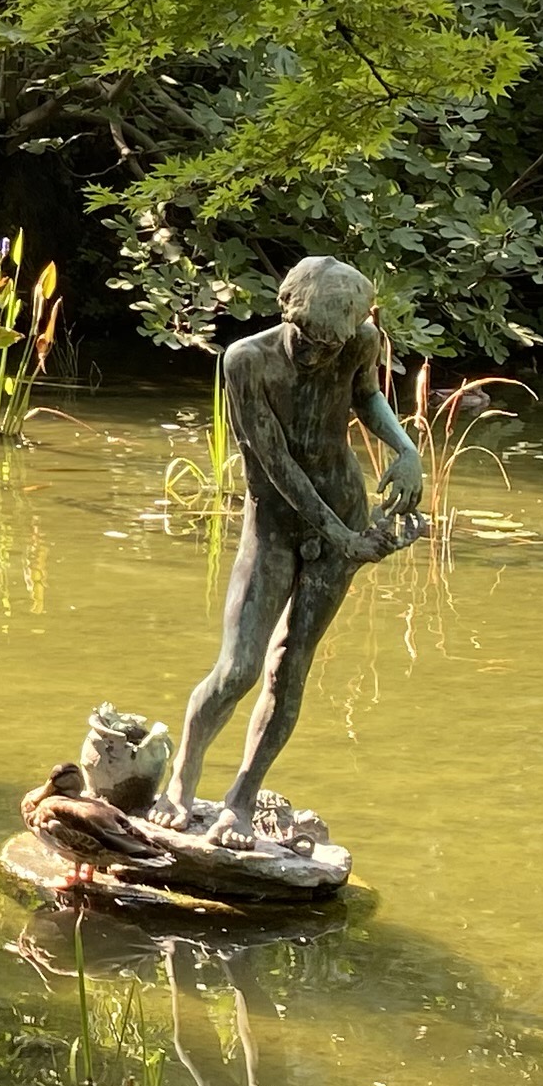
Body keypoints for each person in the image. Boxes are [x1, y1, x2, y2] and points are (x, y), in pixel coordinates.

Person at [171, 255, 426, 837]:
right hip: (276, 524)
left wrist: (405, 450)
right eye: (309, 340)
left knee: (291, 667)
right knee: (238, 669)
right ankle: (183, 777)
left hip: (343, 503)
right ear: (288, 313)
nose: (319, 355)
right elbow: (275, 462)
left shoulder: (360, 342)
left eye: (332, 346)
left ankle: (242, 796)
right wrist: (336, 534)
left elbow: (367, 399)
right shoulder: (247, 362)